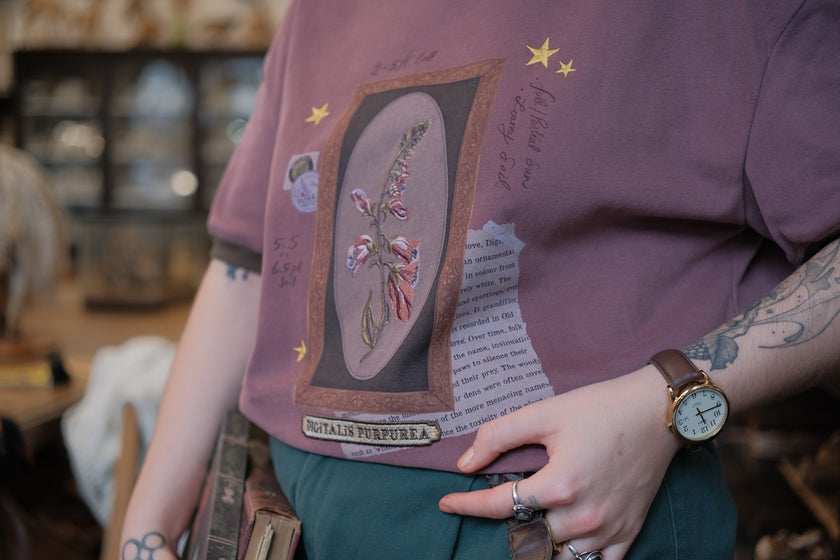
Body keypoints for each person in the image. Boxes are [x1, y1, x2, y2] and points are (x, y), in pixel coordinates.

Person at [121, 1, 840, 558]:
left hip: (547, 521)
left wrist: (670, 397)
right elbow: (245, 261)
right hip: (286, 512)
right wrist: (147, 528)